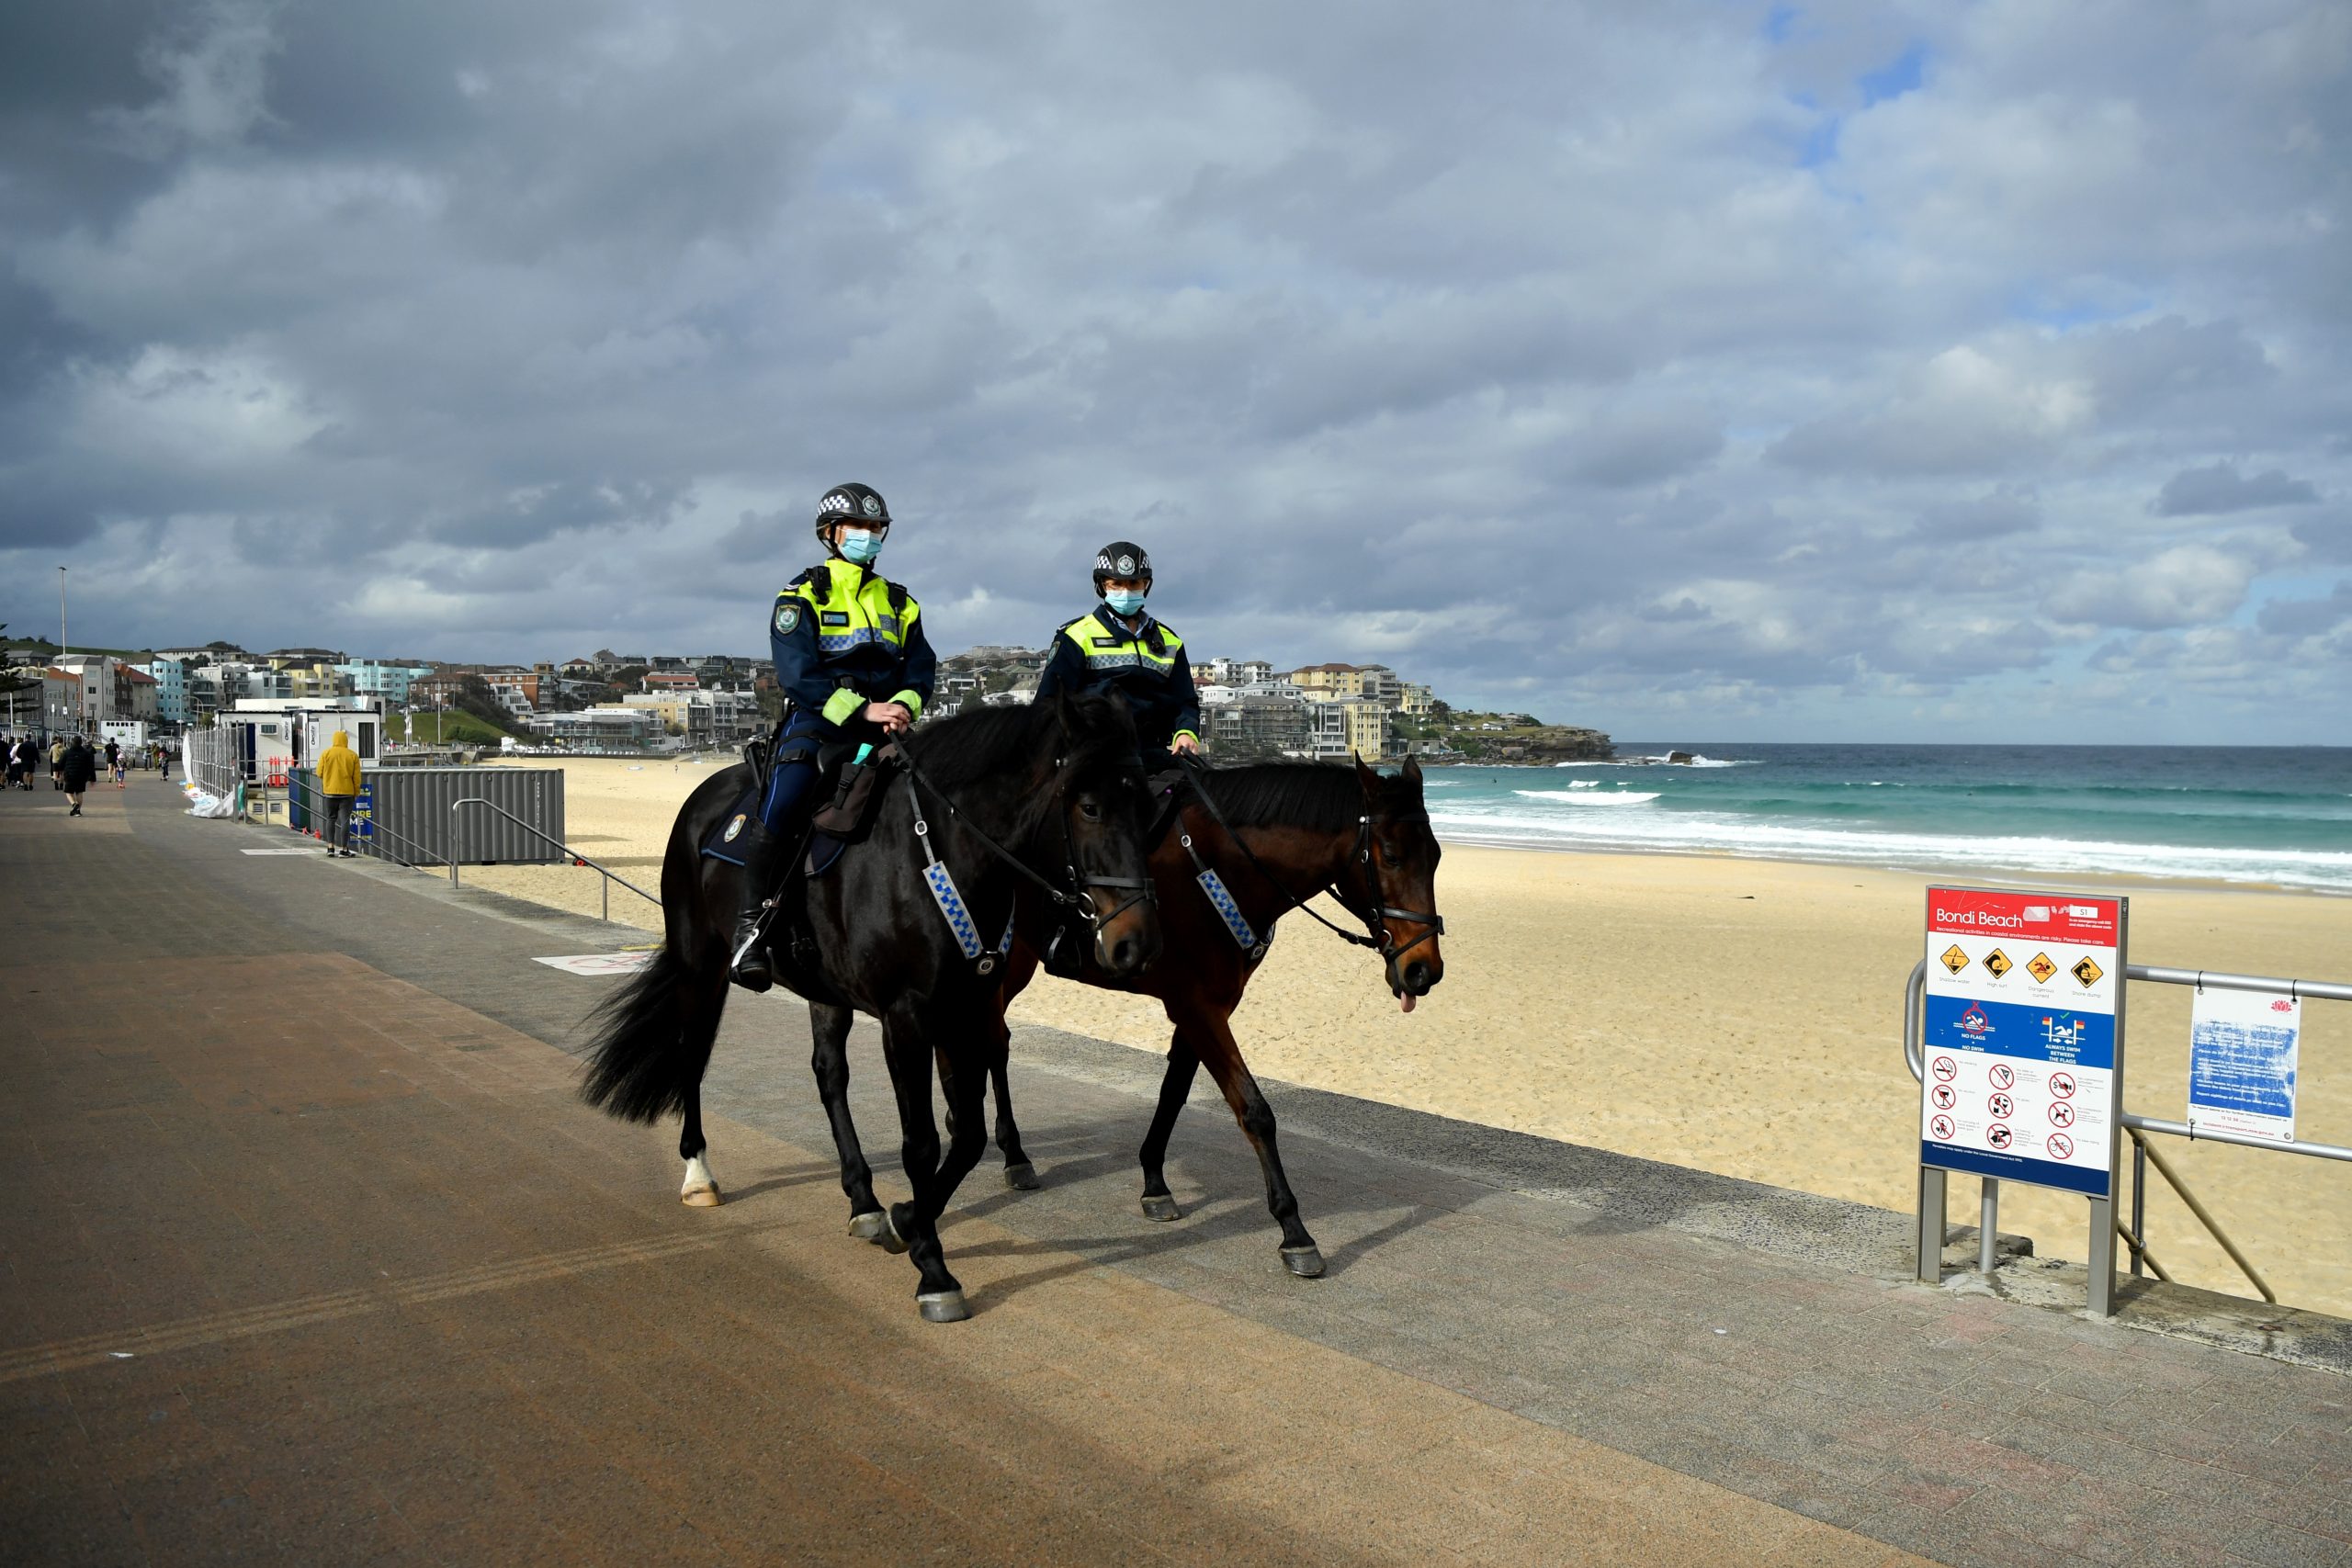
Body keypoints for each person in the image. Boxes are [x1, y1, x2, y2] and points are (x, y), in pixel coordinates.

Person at [729, 481, 937, 991]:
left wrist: (903, 709)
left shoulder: (899, 601)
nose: (869, 536)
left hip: (890, 724)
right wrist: (864, 711)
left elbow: (922, 667)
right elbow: (798, 674)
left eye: (876, 528)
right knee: (784, 803)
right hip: (820, 723)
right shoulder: (799, 595)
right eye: (860, 528)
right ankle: (751, 928)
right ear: (830, 534)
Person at [1035, 539, 1202, 769]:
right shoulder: (1076, 637)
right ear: (1102, 586)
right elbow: (1049, 703)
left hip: (1154, 752)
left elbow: (1185, 700)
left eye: (1134, 583)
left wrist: (1186, 732)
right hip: (1098, 754)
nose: (1126, 591)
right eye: (1117, 584)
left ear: (1146, 584)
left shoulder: (1170, 641)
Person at [316, 730, 363, 857]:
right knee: (345, 821)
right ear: (346, 741)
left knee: (330, 819)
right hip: (347, 794)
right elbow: (357, 778)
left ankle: (330, 848)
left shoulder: (326, 753)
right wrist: (356, 792)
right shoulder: (352, 755)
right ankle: (344, 849)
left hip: (330, 793)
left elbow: (319, 772)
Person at [60, 736, 96, 817]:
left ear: (72, 742)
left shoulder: (67, 752)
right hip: (82, 776)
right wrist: (92, 778)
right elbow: (91, 766)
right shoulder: (86, 753)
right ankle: (78, 811)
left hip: (69, 775)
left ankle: (74, 804)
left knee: (69, 793)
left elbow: (60, 764)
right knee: (79, 793)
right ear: (81, 743)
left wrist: (60, 772)